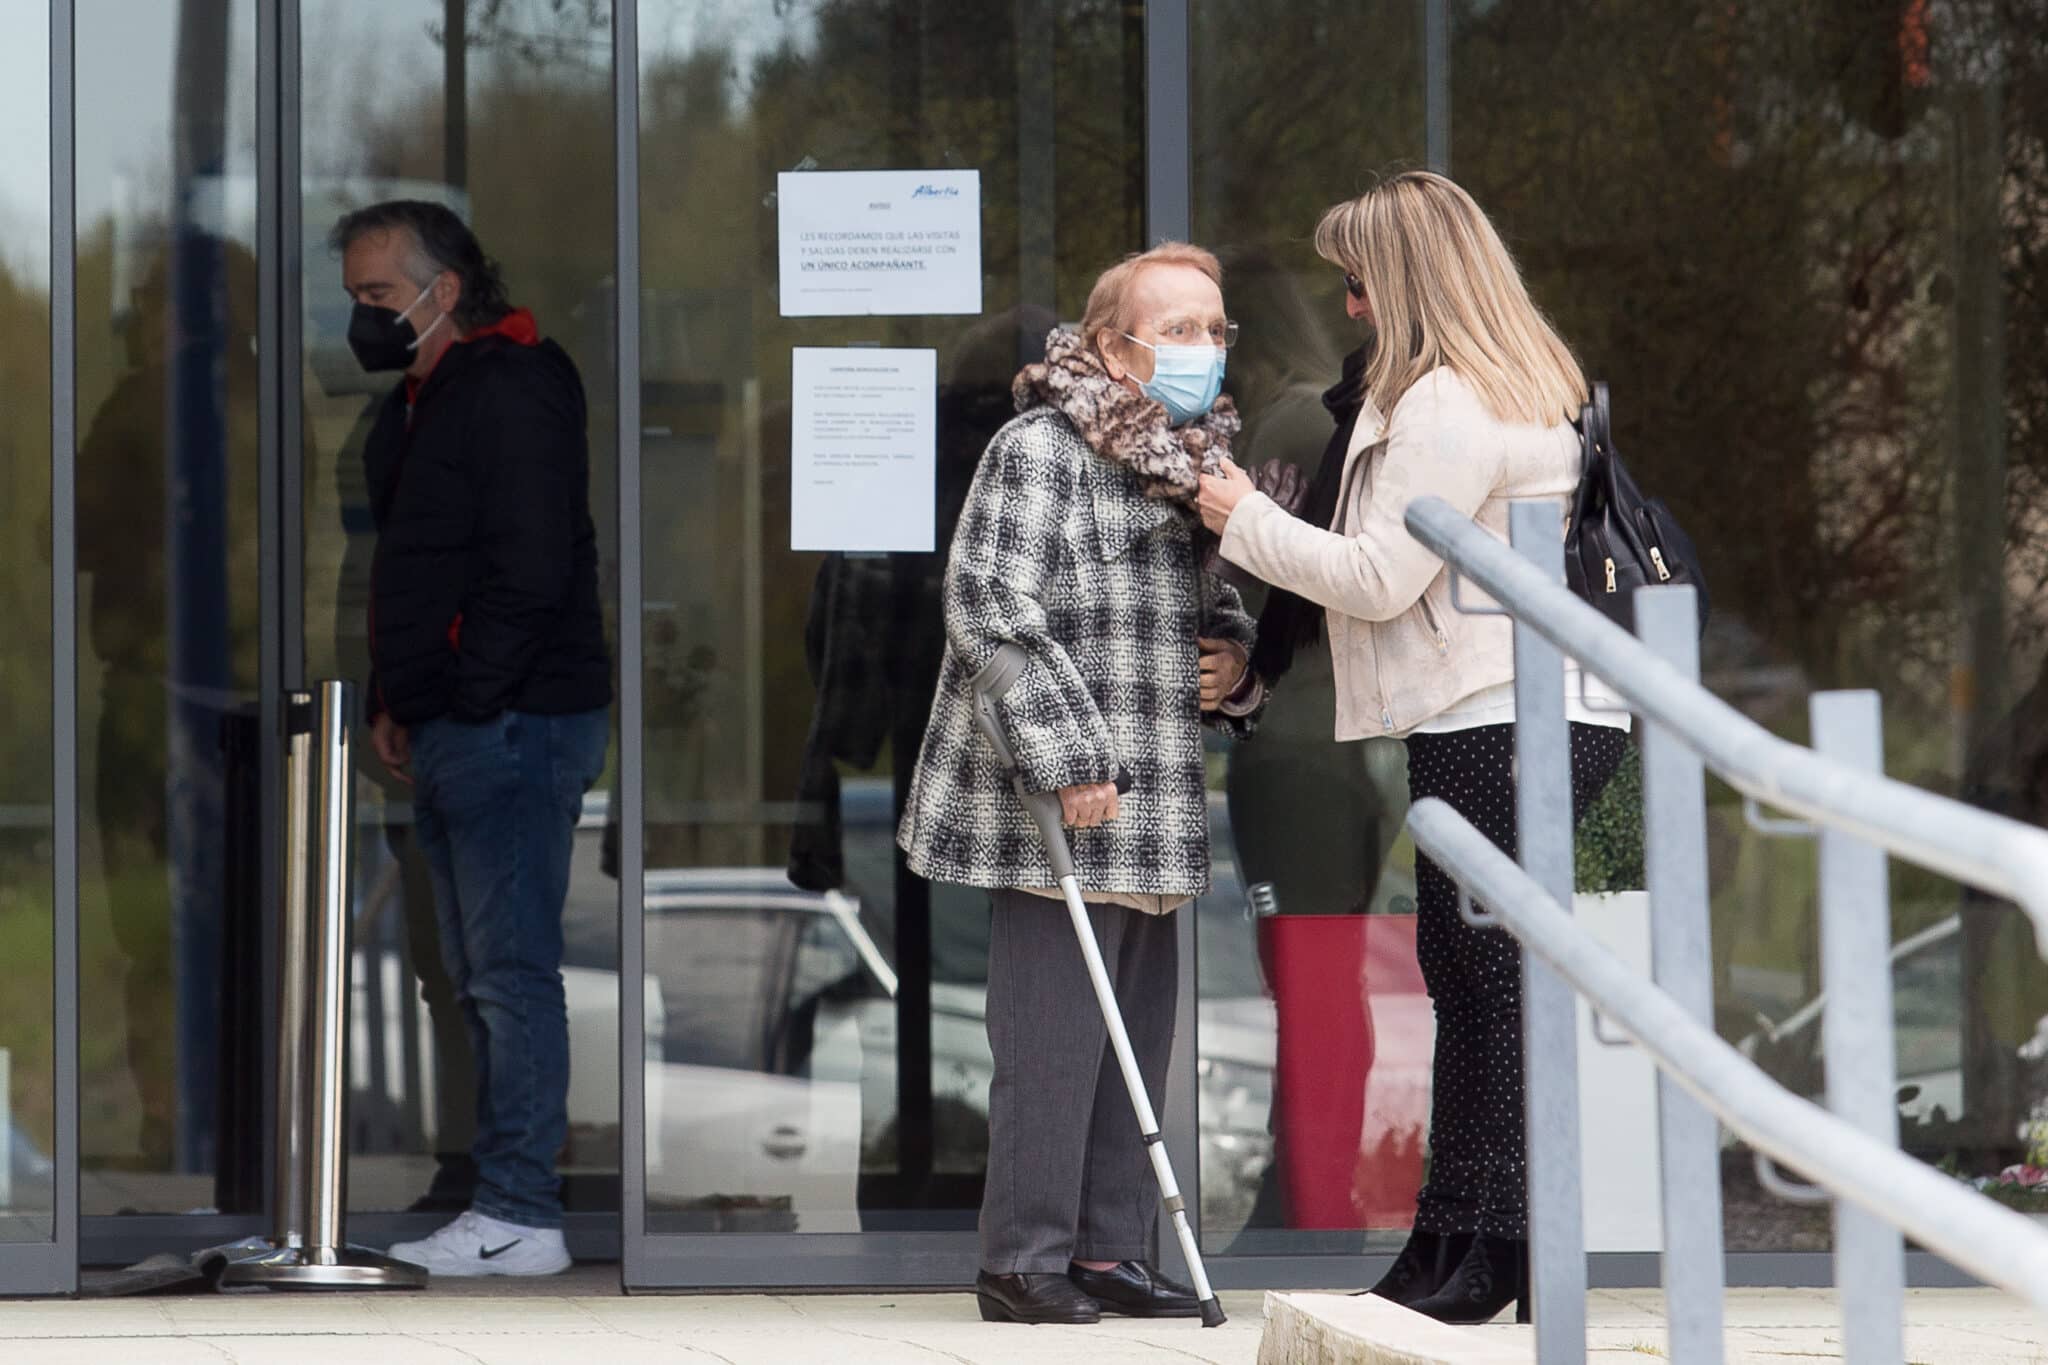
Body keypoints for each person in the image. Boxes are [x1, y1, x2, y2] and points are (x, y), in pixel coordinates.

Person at [1197, 171, 1630, 1324]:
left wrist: (1238, 511)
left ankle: (1474, 1255)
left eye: (1355, 282)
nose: (1344, 307)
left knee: (1481, 985)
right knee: (1486, 982)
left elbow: (1380, 581)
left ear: (1401, 283)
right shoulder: (1518, 383)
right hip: (1532, 711)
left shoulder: (1445, 403)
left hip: (1499, 714)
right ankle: (1471, 1242)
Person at [899, 242, 1264, 1325]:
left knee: (1133, 1041)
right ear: (1110, 346)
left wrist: (1233, 665)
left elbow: (1214, 611)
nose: (1203, 349)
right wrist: (1065, 758)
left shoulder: (1188, 462)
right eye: (1178, 329)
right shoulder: (1039, 450)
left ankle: (1108, 1252)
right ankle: (1022, 1262)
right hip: (1063, 795)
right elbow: (986, 608)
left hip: (1157, 795)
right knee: (1052, 1045)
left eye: (1215, 329)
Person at [334, 200, 612, 1277]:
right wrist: (409, 699)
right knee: (472, 972)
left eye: (373, 296)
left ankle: (519, 1211)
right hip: (461, 721)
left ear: (440, 290)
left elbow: (526, 569)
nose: (360, 317)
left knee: (506, 973)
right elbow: (423, 562)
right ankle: (493, 1196)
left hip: (509, 724)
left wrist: (464, 693)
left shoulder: (510, 387)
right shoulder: (428, 396)